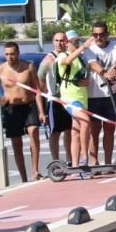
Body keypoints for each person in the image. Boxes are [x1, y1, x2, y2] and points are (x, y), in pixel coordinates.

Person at [0, 42, 45, 182]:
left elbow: (37, 90)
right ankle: (24, 178)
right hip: (11, 108)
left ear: (18, 53)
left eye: (12, 54)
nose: (10, 57)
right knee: (17, 143)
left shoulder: (28, 66)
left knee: (34, 131)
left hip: (28, 105)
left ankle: (35, 170)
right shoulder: (1, 69)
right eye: (7, 54)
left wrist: (42, 112)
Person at [84, 21, 116, 166]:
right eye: (95, 34)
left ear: (107, 34)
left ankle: (108, 162)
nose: (98, 37)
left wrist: (114, 70)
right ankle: (94, 162)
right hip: (94, 94)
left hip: (111, 93)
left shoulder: (115, 46)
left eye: (101, 34)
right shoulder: (90, 49)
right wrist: (105, 73)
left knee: (109, 129)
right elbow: (93, 64)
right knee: (94, 130)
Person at [56, 30, 94, 168]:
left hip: (82, 97)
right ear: (67, 43)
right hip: (69, 98)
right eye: (74, 42)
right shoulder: (62, 56)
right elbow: (67, 61)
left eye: (78, 41)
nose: (77, 44)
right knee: (85, 121)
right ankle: (85, 157)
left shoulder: (80, 58)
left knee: (76, 131)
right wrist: (83, 47)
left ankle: (76, 165)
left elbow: (81, 76)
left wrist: (86, 81)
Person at [38, 32, 72, 162]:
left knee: (69, 130)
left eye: (62, 40)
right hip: (55, 101)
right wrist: (42, 111)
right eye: (57, 40)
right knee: (55, 132)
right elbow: (40, 87)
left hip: (69, 99)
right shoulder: (48, 60)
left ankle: (70, 158)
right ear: (53, 42)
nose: (60, 43)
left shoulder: (70, 57)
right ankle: (56, 160)